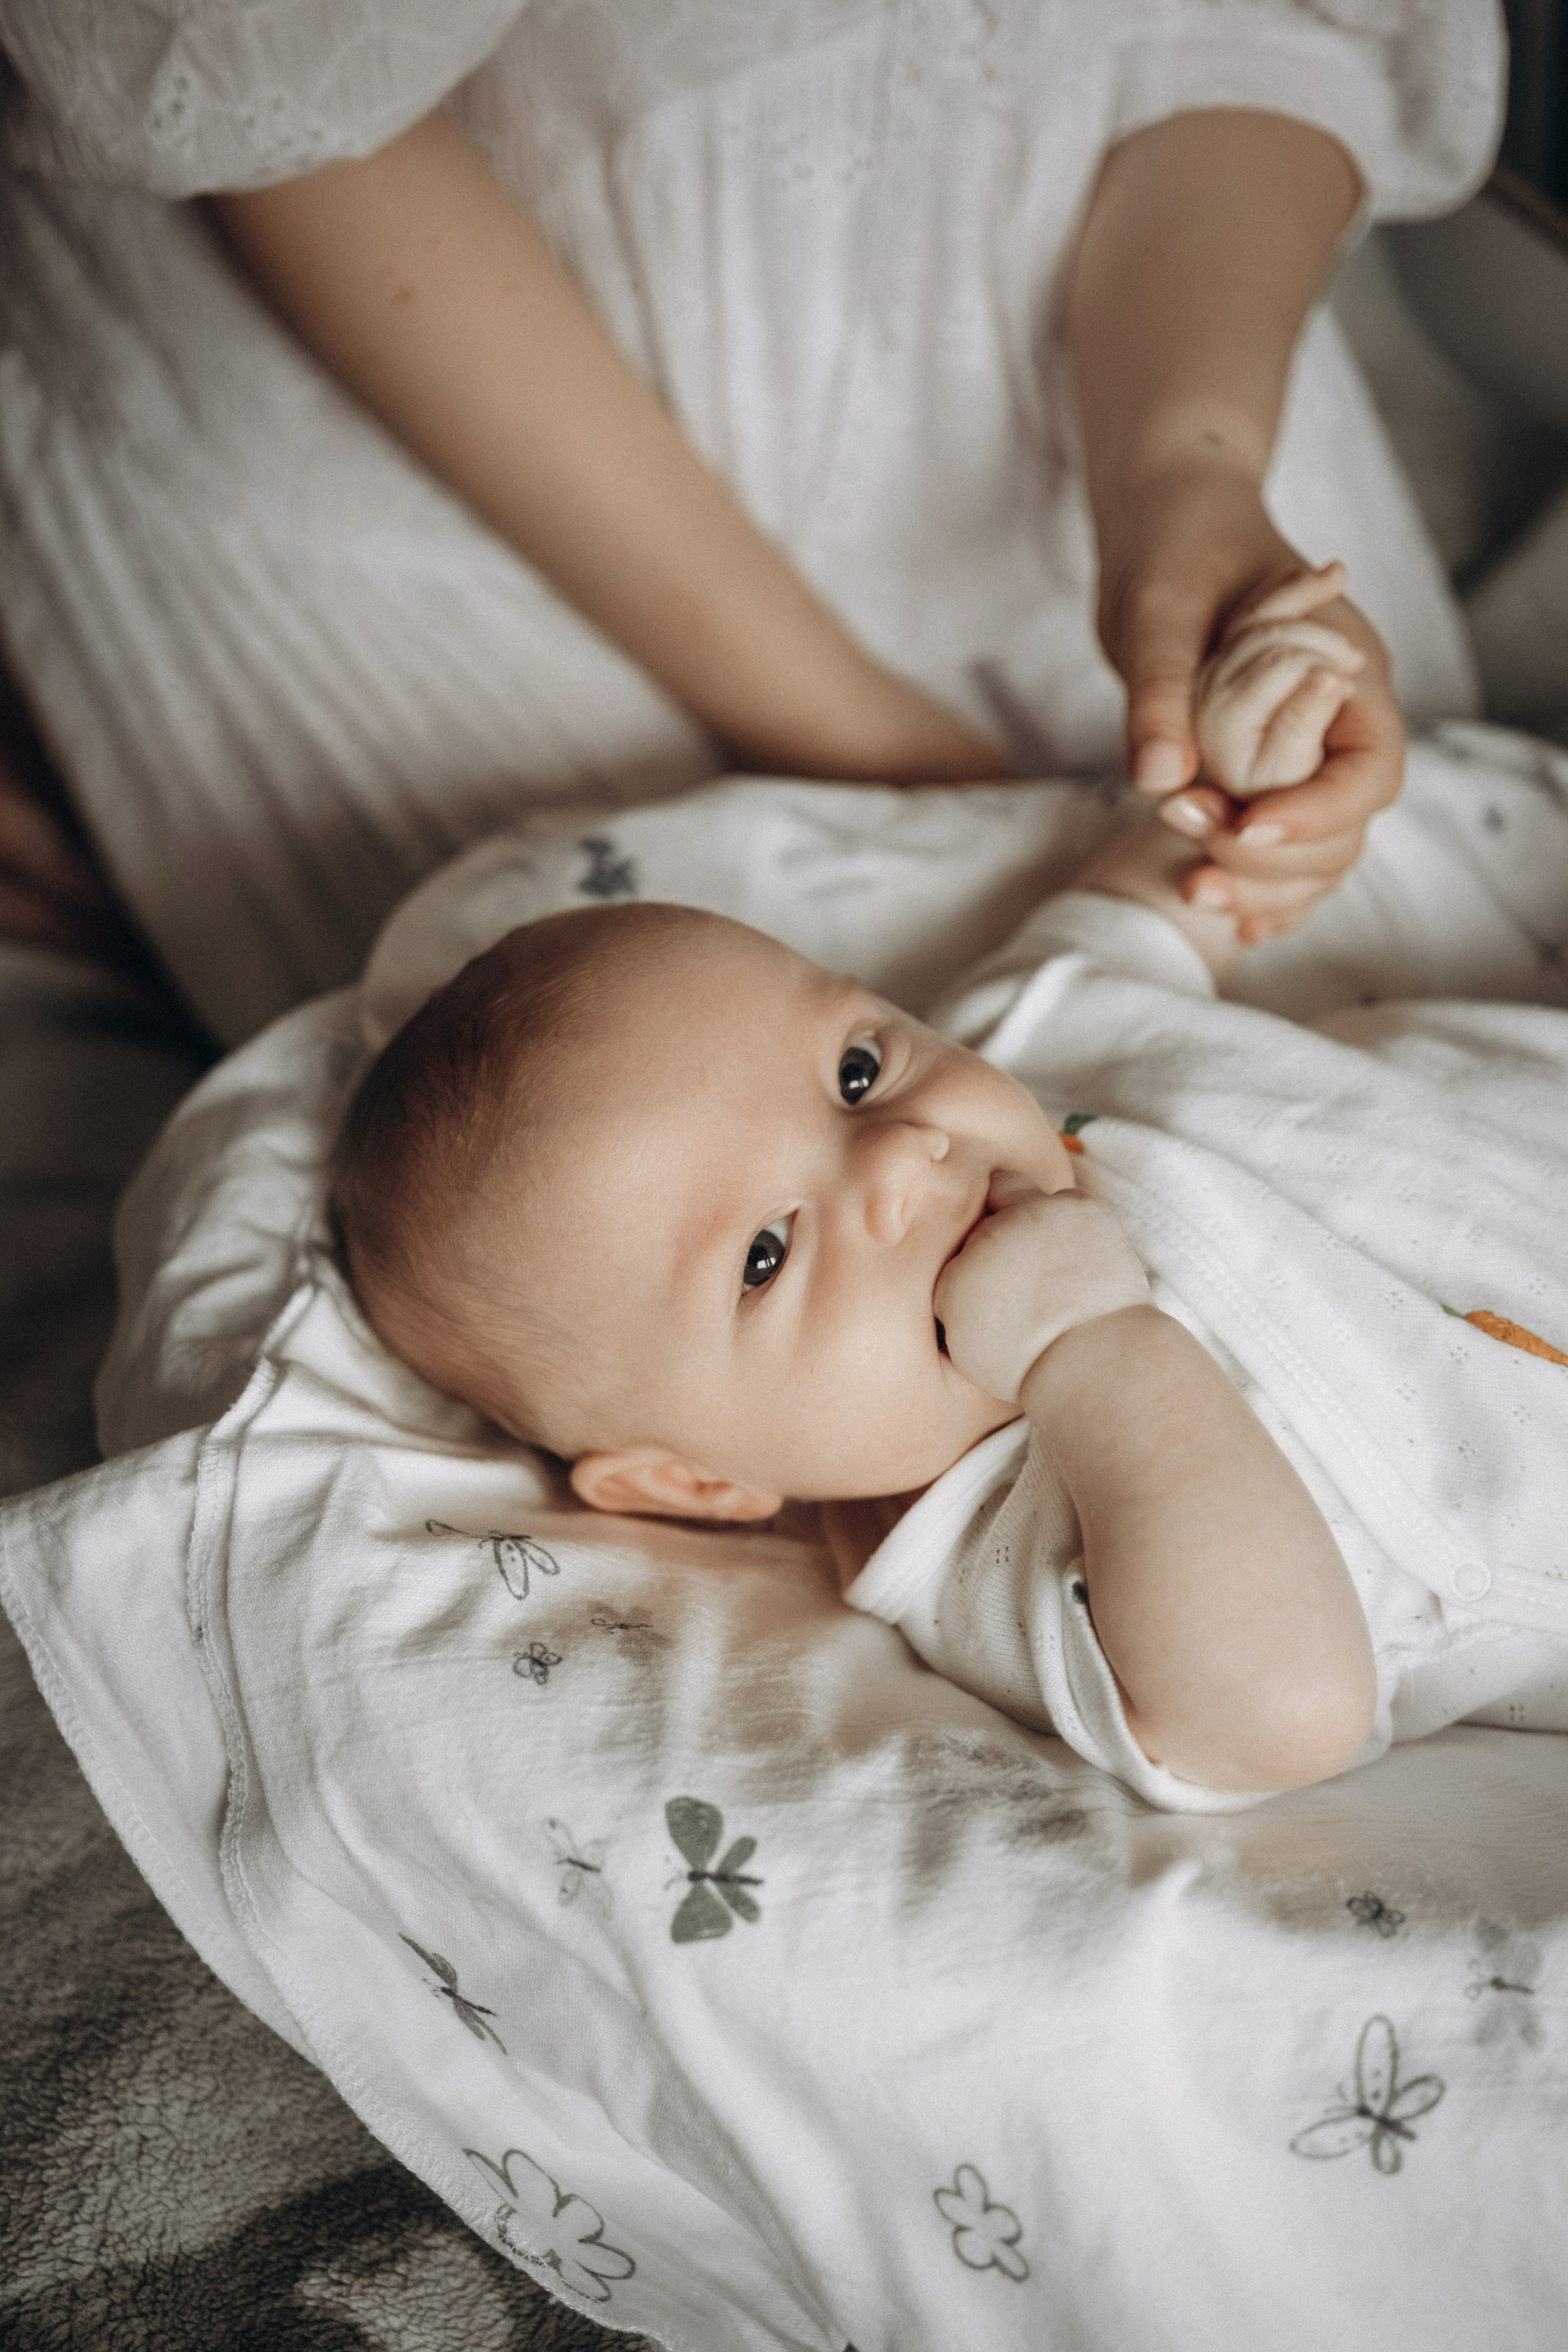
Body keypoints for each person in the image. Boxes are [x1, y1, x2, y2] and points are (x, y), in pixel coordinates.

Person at [0, 3, 1496, 1039]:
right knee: (519, 1109)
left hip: (1134, 299)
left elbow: (1259, 32)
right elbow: (271, 105)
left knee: (1375, 971)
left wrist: (1189, 478)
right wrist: (875, 757)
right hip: (439, 377)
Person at [329, 598, 1568, 1813]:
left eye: (854, 1072)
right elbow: (1280, 1715)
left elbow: (1193, 872)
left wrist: (1254, 762)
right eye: (763, 1255)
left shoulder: (1030, 1033)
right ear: (693, 1481)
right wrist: (1092, 1352)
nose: (897, 1156)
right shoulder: (995, 1552)